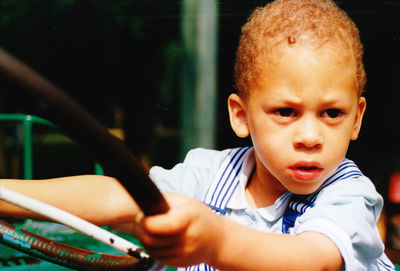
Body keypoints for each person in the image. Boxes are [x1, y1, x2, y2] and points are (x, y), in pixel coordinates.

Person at [0, 0, 396, 270]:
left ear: (356, 118)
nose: (310, 136)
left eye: (332, 113)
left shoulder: (349, 196)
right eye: (285, 112)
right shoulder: (210, 175)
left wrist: (216, 243)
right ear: (241, 116)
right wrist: (6, 193)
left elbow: (309, 259)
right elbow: (118, 196)